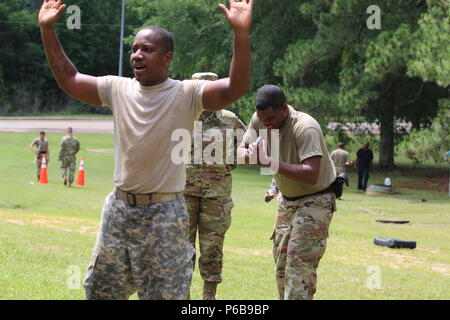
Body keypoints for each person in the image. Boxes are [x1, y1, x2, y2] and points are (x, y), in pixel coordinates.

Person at [38, 0, 254, 300]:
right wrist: (47, 28)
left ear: (167, 57)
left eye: (147, 49)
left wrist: (240, 34)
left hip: (164, 213)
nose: (137, 55)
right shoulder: (117, 89)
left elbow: (235, 88)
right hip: (119, 209)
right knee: (101, 292)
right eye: (135, 49)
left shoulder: (187, 94)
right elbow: (70, 78)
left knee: (164, 295)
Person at [238, 85, 337, 300]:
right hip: (287, 199)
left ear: (284, 108)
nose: (266, 123)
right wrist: (250, 155)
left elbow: (311, 173)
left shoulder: (305, 127)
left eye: (271, 118)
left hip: (316, 198)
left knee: (298, 263)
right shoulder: (260, 119)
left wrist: (269, 162)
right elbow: (241, 149)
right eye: (262, 118)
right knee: (281, 263)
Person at [185, 72, 246, 300]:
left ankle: (208, 299)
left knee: (212, 249)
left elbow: (245, 145)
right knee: (182, 248)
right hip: (183, 194)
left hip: (216, 196)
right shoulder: (181, 115)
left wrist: (230, 163)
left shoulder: (230, 119)